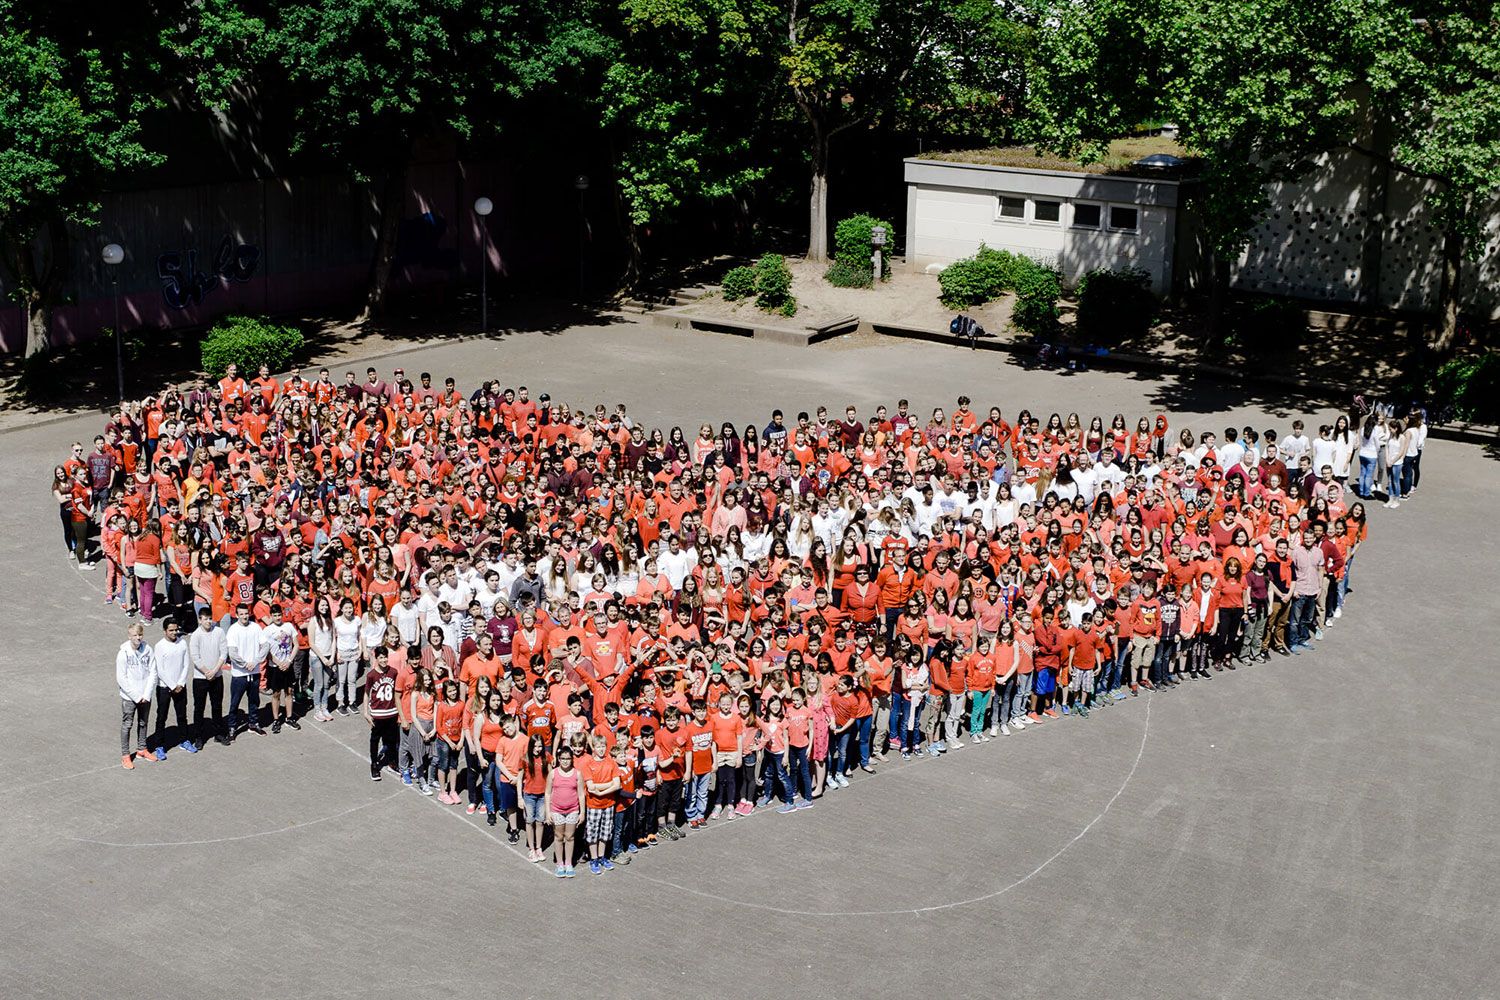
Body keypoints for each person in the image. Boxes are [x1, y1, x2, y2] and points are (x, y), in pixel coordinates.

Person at [150, 618, 197, 759]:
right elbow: (160, 669)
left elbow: (186, 664)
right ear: (165, 631)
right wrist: (172, 685)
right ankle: (159, 745)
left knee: (182, 715)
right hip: (164, 687)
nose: (174, 632)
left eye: (176, 629)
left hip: (180, 686)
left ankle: (184, 740)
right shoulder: (160, 646)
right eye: (171, 630)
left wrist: (181, 683)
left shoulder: (182, 643)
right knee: (161, 717)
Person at [224, 604, 267, 740]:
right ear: (236, 615)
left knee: (254, 700)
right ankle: (232, 727)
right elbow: (232, 652)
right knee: (235, 703)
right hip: (239, 675)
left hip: (254, 671)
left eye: (246, 613)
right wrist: (244, 664)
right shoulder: (233, 630)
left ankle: (253, 724)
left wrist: (255, 662)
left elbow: (265, 645)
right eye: (241, 614)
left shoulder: (255, 627)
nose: (244, 616)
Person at [117, 623, 156, 769]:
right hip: (129, 697)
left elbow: (153, 672)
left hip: (145, 695)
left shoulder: (148, 650)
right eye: (135, 635)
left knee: (143, 722)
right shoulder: (123, 653)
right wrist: (136, 696)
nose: (138, 638)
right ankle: (126, 755)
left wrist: (146, 694)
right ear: (129, 636)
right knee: (127, 724)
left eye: (140, 635)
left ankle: (142, 749)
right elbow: (121, 678)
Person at [188, 606, 228, 745]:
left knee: (217, 706)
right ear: (199, 620)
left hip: (217, 676)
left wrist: (215, 670)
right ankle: (198, 736)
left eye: (210, 619)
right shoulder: (195, 635)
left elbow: (223, 653)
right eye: (205, 619)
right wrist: (206, 672)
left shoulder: (219, 632)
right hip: (200, 678)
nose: (208, 622)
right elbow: (195, 657)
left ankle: (218, 733)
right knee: (199, 707)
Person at [364, 647, 401, 780]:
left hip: (391, 712)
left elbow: (397, 692)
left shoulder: (393, 672)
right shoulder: (371, 675)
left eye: (385, 657)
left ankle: (392, 761)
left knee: (391, 739)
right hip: (378, 713)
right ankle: (374, 764)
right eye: (381, 657)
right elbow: (367, 693)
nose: (384, 660)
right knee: (375, 740)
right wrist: (366, 712)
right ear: (376, 658)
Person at [546, 745, 582, 877]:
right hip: (556, 810)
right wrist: (548, 812)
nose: (565, 761)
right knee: (559, 836)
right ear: (559, 759)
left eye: (568, 758)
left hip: (572, 810)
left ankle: (568, 863)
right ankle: (560, 864)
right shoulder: (553, 773)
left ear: (572, 759)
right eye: (563, 758)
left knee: (570, 837)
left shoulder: (577, 774)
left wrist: (582, 812)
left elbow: (581, 794)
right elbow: (548, 793)